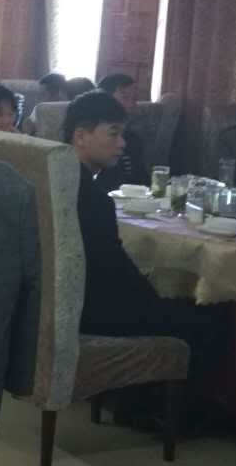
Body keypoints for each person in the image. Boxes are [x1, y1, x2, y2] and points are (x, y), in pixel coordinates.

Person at [64, 91, 226, 352]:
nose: (122, 144)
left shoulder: (58, 180)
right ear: (81, 136)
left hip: (64, 303)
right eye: (114, 134)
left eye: (123, 134)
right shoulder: (92, 198)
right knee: (210, 317)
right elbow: (114, 271)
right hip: (94, 311)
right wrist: (155, 299)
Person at [94, 74, 148, 191]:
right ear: (105, 100)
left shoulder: (133, 138)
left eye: (134, 99)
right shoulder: (94, 138)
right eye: (125, 97)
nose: (131, 104)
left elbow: (143, 180)